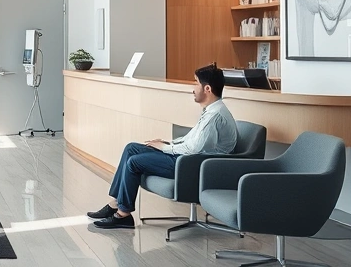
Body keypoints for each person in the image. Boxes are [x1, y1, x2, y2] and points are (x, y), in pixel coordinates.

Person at [87, 63, 238, 229]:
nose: (192, 88)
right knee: (131, 148)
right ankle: (115, 204)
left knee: (134, 162)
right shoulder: (211, 111)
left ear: (207, 88)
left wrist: (165, 148)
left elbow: (193, 149)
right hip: (188, 158)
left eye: (195, 83)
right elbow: (191, 140)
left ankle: (123, 215)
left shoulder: (214, 115)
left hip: (191, 165)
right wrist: (168, 143)